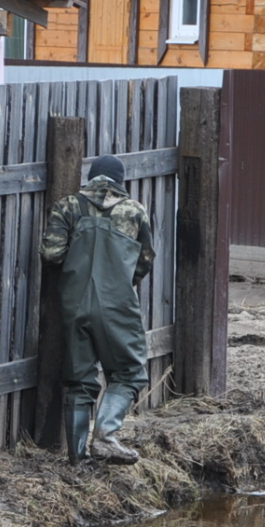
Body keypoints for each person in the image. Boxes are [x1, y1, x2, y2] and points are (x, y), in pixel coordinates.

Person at [41, 154, 155, 464]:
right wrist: (118, 279)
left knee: (79, 380)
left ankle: (77, 459)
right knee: (130, 372)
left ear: (91, 177)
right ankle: (105, 437)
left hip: (74, 302)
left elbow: (51, 254)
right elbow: (145, 261)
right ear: (120, 180)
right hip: (117, 302)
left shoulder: (68, 206)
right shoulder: (134, 211)